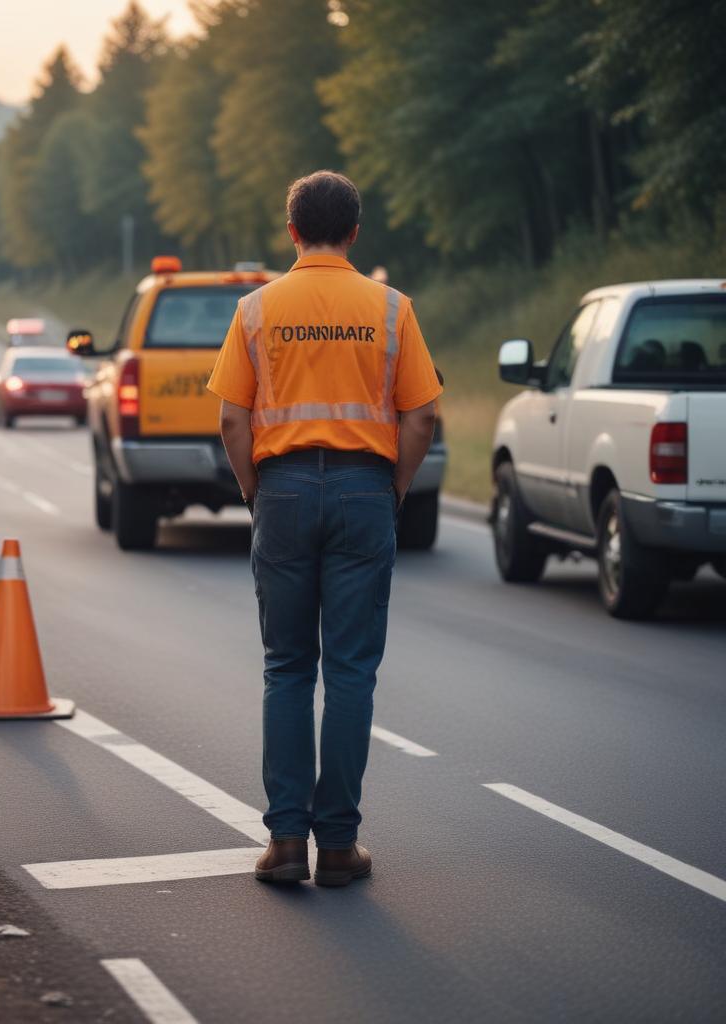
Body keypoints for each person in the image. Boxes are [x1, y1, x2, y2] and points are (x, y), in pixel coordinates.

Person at [208, 170, 442, 887]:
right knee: (349, 672)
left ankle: (284, 843)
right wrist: (393, 488)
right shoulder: (389, 307)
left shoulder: (256, 310)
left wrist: (256, 490)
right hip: (364, 492)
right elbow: (422, 415)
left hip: (280, 492)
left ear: (292, 232)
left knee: (286, 667)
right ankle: (338, 847)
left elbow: (230, 418)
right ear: (355, 233)